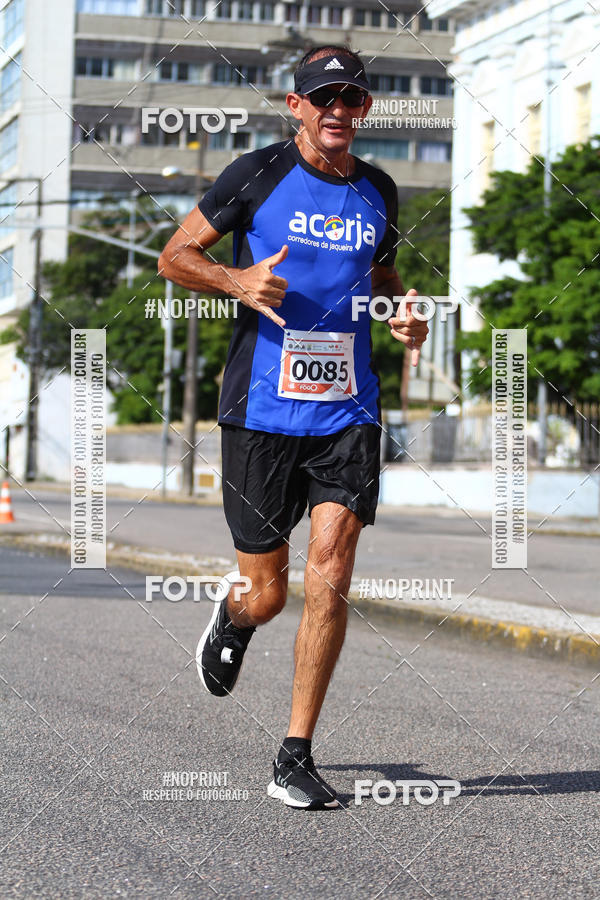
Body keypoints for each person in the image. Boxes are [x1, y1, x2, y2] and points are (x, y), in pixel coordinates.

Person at [158, 44, 428, 810]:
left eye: (353, 99)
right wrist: (235, 279)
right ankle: (237, 617)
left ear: (365, 110)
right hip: (263, 414)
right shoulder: (255, 175)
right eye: (324, 98)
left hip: (349, 409)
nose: (339, 111)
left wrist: (402, 312)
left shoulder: (379, 189)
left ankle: (295, 755)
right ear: (297, 106)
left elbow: (380, 274)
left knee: (334, 572)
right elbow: (173, 256)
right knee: (269, 592)